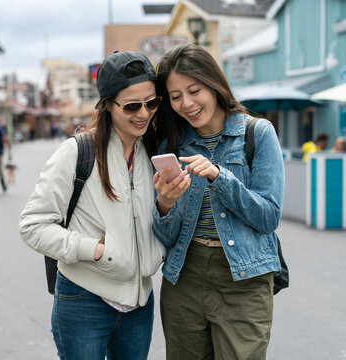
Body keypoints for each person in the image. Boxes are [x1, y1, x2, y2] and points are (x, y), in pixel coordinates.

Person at [19, 51, 166, 360]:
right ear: (107, 106)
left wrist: (166, 205)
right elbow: (32, 226)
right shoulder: (76, 152)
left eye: (151, 103)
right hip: (84, 298)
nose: (143, 113)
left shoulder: (152, 153)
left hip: (140, 302)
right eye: (131, 106)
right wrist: (96, 250)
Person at [151, 44, 284, 359]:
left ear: (213, 83)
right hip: (184, 275)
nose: (187, 103)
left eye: (194, 90)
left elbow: (269, 217)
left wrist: (219, 177)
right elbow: (167, 237)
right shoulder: (172, 145)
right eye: (176, 96)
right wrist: (164, 206)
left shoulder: (258, 134)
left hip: (244, 279)